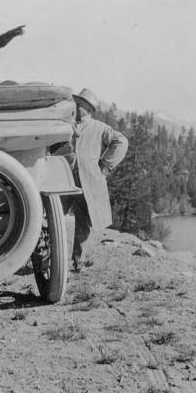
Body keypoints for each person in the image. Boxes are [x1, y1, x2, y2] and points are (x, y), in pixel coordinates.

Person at [65, 88, 128, 272]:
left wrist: (105, 164)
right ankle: (48, 259)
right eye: (76, 103)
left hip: (87, 183)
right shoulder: (67, 125)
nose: (76, 107)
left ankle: (78, 262)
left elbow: (122, 142)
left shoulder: (100, 128)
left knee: (83, 223)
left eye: (80, 105)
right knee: (52, 218)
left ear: (88, 109)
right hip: (64, 180)